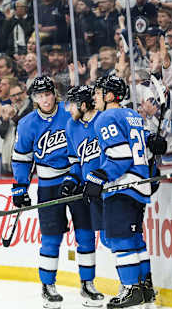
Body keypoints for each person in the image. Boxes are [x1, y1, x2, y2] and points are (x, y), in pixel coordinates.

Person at [12, 76, 102, 308]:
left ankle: (87, 283)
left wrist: (80, 174)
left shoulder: (69, 113)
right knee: (51, 238)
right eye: (40, 95)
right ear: (34, 98)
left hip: (77, 180)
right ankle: (48, 286)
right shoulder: (27, 124)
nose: (45, 99)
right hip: (49, 186)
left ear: (55, 93)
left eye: (48, 93)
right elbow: (22, 159)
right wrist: (20, 187)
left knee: (85, 234)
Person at [82, 75, 166, 308]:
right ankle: (145, 287)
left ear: (109, 96)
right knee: (135, 239)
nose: (95, 97)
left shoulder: (106, 117)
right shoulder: (134, 116)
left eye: (98, 93)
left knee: (119, 239)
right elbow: (144, 148)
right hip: (139, 186)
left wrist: (97, 177)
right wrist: (153, 142)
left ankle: (130, 288)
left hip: (122, 187)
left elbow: (119, 156)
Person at [60, 85, 106, 307]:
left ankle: (132, 285)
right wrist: (71, 181)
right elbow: (76, 162)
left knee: (113, 239)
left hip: (108, 189)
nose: (68, 109)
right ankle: (87, 284)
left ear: (84, 105)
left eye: (72, 104)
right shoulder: (71, 125)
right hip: (87, 190)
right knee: (85, 236)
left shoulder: (104, 121)